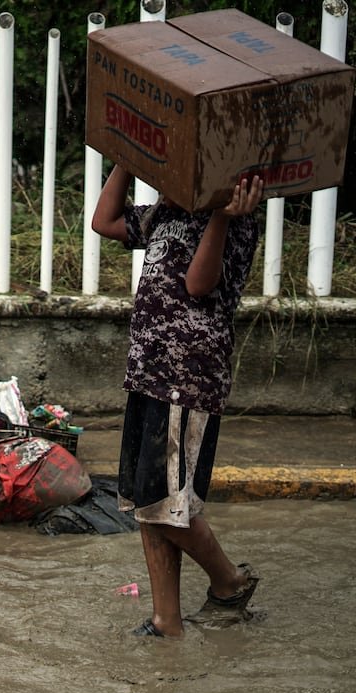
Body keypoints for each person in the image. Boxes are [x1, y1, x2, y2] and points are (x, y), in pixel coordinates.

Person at [91, 164, 264, 638]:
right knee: (148, 503)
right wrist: (125, 161)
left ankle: (229, 581)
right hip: (148, 372)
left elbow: (198, 284)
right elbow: (103, 222)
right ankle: (167, 619)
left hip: (187, 377)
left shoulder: (239, 218)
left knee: (166, 503)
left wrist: (223, 217)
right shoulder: (167, 212)